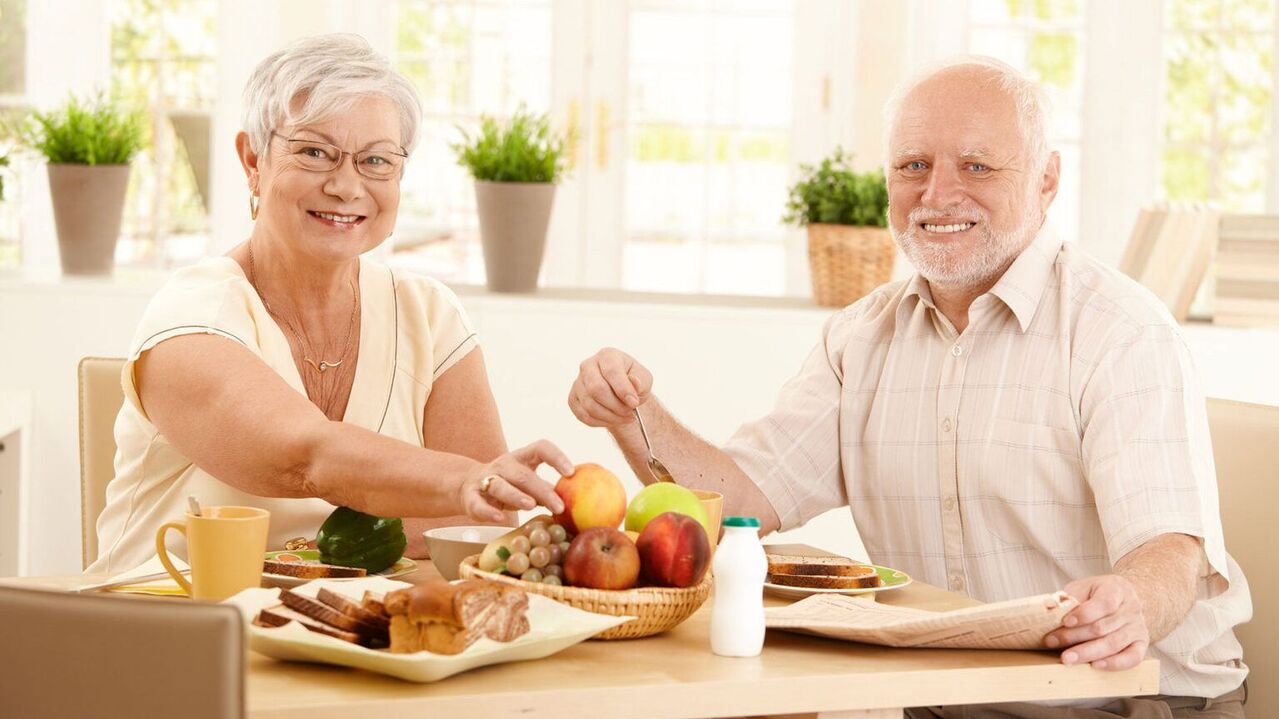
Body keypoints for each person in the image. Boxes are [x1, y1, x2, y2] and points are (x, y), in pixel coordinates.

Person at [567, 57, 1250, 718]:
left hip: (1131, 699)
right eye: (912, 166)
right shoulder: (860, 337)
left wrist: (1130, 598)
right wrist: (633, 415)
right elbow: (740, 502)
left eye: (976, 166)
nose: (937, 194)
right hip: (948, 695)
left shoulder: (1120, 331)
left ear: (1046, 180)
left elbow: (1171, 548)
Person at [89, 34, 570, 574]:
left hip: (357, 640)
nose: (346, 186)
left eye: (375, 161)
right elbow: (306, 457)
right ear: (253, 159)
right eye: (315, 152)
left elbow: (478, 532)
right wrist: (458, 482)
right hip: (174, 632)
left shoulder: (429, 314)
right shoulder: (191, 316)